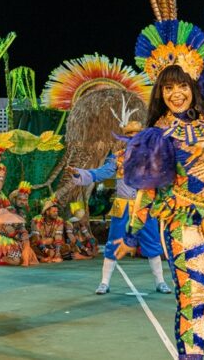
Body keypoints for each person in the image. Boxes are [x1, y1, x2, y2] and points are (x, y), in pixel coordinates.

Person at [115, 0, 204, 360]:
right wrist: (131, 234)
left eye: (181, 85)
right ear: (160, 92)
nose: (176, 93)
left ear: (192, 84)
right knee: (193, 295)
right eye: (167, 88)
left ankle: (193, 351)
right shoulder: (157, 134)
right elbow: (146, 189)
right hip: (182, 219)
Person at [68, 119, 171, 294]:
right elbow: (100, 173)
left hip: (145, 207)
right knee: (113, 243)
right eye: (129, 136)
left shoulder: (153, 158)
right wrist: (80, 173)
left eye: (136, 136)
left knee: (152, 243)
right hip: (122, 208)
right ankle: (104, 282)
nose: (133, 139)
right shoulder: (118, 158)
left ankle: (160, 282)